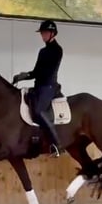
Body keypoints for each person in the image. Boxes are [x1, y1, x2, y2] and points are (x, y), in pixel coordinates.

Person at [12, 20, 66, 158]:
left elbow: (47, 72)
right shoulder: (42, 51)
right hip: (40, 85)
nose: (43, 35)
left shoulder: (57, 50)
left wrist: (31, 76)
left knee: (38, 111)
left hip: (48, 86)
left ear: (52, 33)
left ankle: (57, 145)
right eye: (42, 33)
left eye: (45, 33)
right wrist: (23, 76)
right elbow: (36, 72)